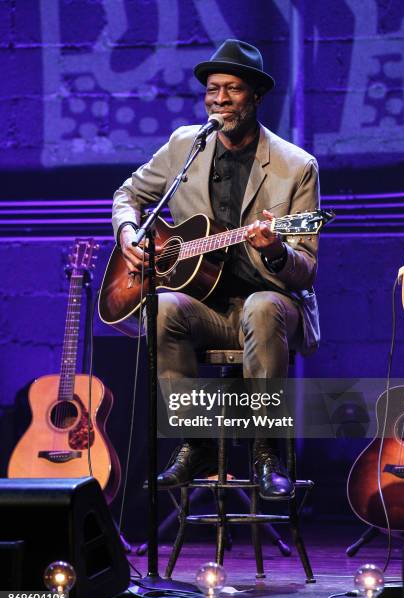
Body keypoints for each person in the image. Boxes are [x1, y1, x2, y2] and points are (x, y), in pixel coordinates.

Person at [112, 39, 320, 499]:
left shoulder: (296, 166)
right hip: (206, 309)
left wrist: (275, 252)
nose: (220, 99)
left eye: (232, 89)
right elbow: (128, 195)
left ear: (255, 97)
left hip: (271, 311)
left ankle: (267, 453)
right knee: (162, 307)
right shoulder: (184, 146)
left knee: (263, 307)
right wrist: (128, 233)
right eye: (212, 89)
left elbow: (306, 270)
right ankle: (198, 445)